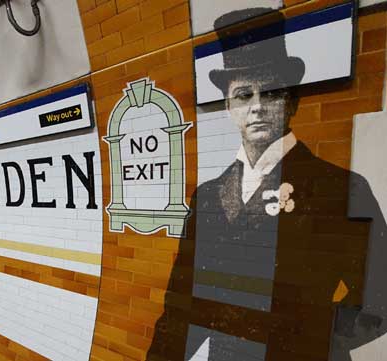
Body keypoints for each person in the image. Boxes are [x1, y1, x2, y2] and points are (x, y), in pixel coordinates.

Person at [147, 8, 387, 361]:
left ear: (290, 103)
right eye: (244, 95)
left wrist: (310, 335)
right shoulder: (210, 196)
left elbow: (378, 300)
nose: (257, 107)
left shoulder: (339, 188)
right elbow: (182, 305)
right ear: (229, 107)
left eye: (271, 93)